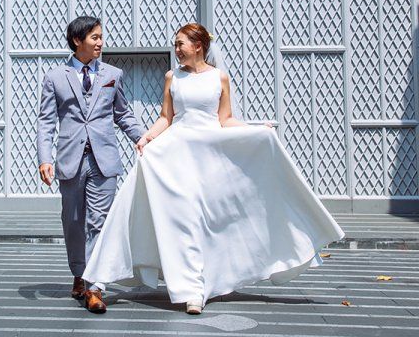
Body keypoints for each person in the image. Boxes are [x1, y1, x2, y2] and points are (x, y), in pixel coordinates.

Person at [81, 23, 345, 315]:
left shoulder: (220, 78)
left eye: (180, 44)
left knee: (206, 221)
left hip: (209, 157)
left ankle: (201, 285)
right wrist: (147, 137)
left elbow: (225, 119)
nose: (176, 49)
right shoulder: (172, 77)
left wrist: (256, 130)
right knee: (182, 219)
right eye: (175, 44)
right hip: (177, 155)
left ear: (198, 46)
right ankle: (191, 291)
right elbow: (166, 117)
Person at [36, 16, 145, 313]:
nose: (100, 42)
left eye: (100, 37)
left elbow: (123, 114)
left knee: (100, 222)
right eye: (94, 37)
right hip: (70, 159)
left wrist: (143, 139)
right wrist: (44, 158)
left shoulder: (113, 74)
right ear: (77, 40)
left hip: (103, 160)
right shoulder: (55, 77)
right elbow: (46, 121)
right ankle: (78, 272)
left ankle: (95, 286)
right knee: (73, 221)